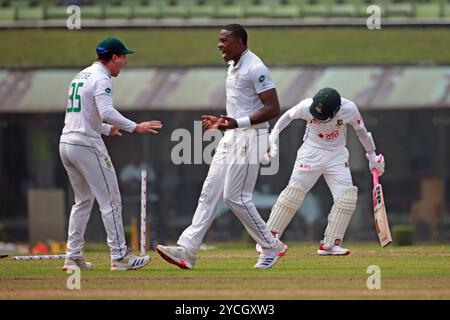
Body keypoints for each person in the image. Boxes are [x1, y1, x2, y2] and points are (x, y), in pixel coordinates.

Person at [156, 24, 287, 270]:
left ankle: (271, 246)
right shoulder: (233, 65)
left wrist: (238, 122)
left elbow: (273, 108)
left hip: (252, 137)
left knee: (235, 197)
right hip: (233, 136)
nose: (219, 45)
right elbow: (241, 107)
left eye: (224, 41)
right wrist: (225, 122)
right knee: (209, 192)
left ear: (239, 42)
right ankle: (188, 250)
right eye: (219, 40)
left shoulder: (256, 68)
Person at [59, 37, 163, 271]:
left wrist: (106, 129)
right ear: (114, 57)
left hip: (67, 142)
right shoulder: (102, 78)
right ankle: (119, 257)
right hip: (86, 145)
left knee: (83, 201)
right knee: (112, 200)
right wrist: (135, 126)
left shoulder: (82, 75)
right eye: (123, 57)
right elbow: (106, 111)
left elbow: (83, 114)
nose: (125, 62)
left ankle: (73, 255)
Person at [258, 87, 385, 255]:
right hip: (311, 152)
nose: (317, 118)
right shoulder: (306, 106)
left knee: (347, 197)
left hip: (337, 155)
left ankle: (330, 244)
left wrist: (371, 155)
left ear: (336, 111)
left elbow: (361, 131)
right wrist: (272, 137)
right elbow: (287, 116)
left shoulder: (349, 109)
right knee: (294, 193)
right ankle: (268, 240)